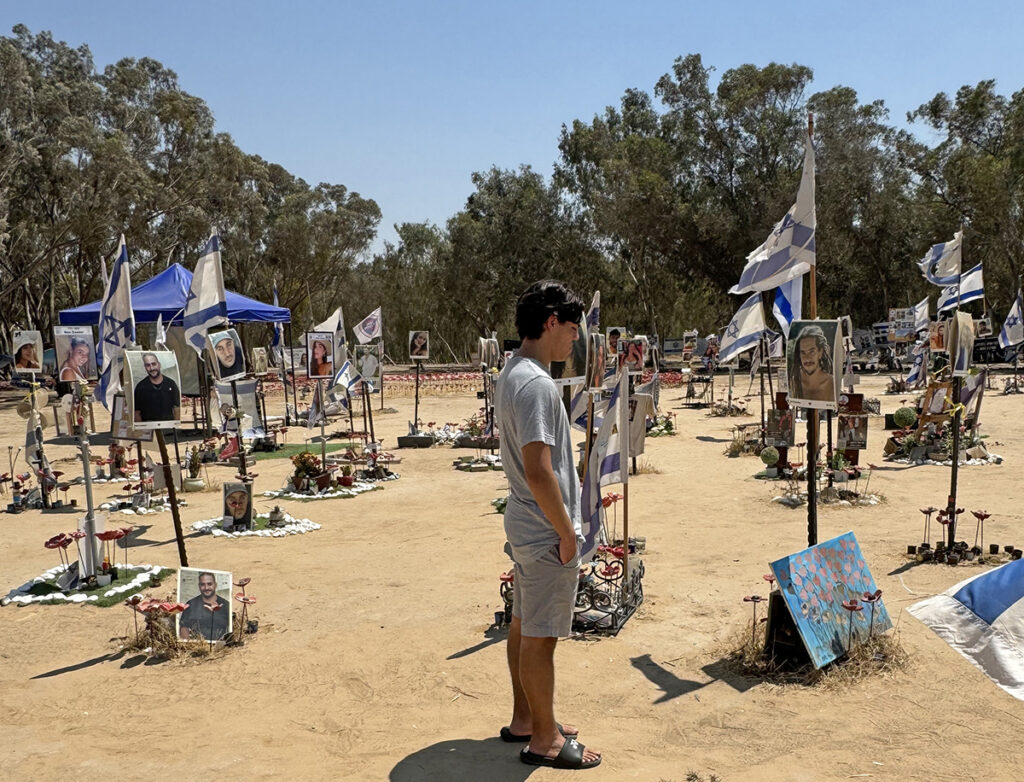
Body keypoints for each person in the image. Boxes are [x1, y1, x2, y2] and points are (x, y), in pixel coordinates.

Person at [494, 279, 601, 770]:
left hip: (523, 519)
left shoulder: (514, 370)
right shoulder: (536, 384)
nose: (575, 339)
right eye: (572, 328)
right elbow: (539, 469)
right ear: (551, 321)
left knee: (523, 621)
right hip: (542, 526)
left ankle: (528, 717)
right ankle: (544, 740)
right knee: (541, 635)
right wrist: (565, 532)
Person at [789, 325, 835, 403]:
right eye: (803, 353)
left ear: (820, 352)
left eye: (812, 352)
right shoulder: (795, 382)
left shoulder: (831, 384)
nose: (807, 358)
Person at [179, 572, 231, 640]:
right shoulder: (190, 604)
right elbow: (184, 628)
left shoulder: (226, 605)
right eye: (202, 584)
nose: (206, 588)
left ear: (215, 585)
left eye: (209, 584)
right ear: (199, 586)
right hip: (197, 646)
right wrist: (188, 644)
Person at [133, 352, 181, 424]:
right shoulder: (141, 387)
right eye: (148, 365)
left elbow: (177, 409)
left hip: (168, 428)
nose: (151, 368)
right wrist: (142, 431)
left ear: (159, 365)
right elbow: (136, 413)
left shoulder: (171, 384)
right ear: (145, 367)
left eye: (154, 364)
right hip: (149, 428)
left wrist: (175, 427)